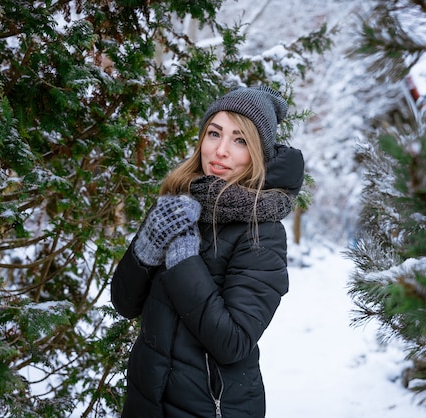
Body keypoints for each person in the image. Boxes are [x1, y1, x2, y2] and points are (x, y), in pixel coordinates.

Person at [110, 85, 305, 417]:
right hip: (147, 401)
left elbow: (233, 342)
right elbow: (124, 303)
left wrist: (183, 259)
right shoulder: (177, 205)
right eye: (214, 134)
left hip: (214, 408)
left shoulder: (264, 232)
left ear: (257, 153)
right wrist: (147, 245)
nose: (221, 150)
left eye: (240, 140)